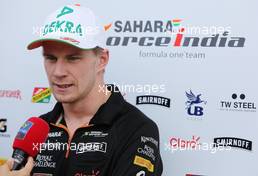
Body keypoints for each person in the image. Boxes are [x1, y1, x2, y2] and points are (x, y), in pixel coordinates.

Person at [27, 4, 163, 176]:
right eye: (51, 58)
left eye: (73, 58)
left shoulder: (136, 129)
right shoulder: (37, 129)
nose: (58, 72)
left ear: (102, 60)